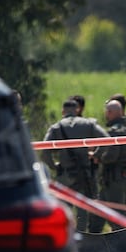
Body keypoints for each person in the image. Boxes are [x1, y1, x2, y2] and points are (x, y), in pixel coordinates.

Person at [41, 97, 108, 232]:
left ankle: (64, 236)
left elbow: (44, 150)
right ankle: (82, 238)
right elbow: (106, 139)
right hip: (84, 174)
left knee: (62, 207)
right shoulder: (87, 124)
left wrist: (54, 166)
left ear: (63, 111)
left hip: (65, 174)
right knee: (82, 211)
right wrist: (96, 155)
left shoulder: (56, 127)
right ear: (77, 110)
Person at [95, 98, 126, 212]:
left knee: (118, 217)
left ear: (109, 112)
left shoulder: (114, 131)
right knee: (105, 215)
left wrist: (98, 158)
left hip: (114, 178)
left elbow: (111, 156)